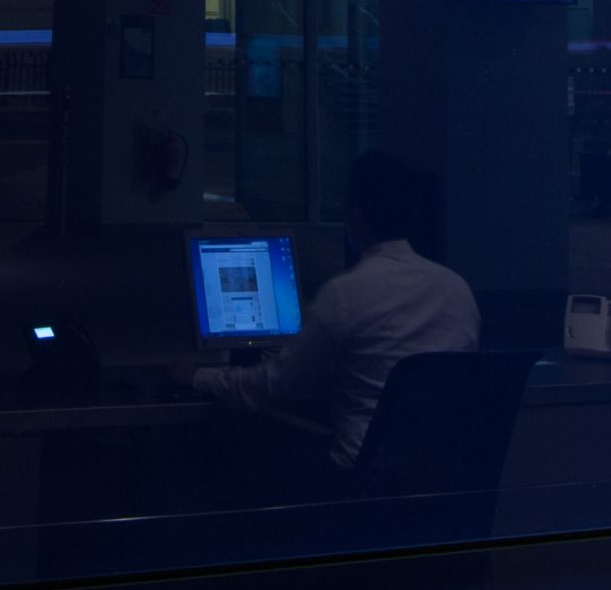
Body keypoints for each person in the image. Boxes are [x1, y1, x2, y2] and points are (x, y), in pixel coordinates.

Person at [197, 151, 478, 483]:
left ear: (355, 217)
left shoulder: (345, 294)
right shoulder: (458, 290)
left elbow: (272, 386)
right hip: (443, 485)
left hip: (363, 481)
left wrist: (199, 377)